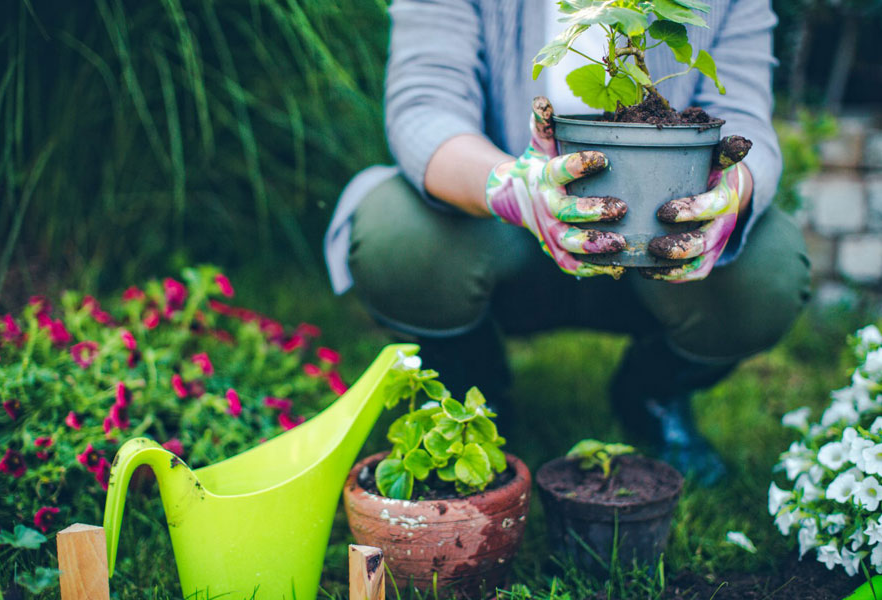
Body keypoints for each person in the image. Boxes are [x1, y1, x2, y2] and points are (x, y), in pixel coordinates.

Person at [324, 0, 811, 485]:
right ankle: (474, 386)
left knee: (767, 270)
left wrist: (732, 193)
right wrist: (513, 188)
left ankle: (653, 391)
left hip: (659, 237)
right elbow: (425, 107)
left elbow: (744, 116)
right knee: (397, 234)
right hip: (498, 231)